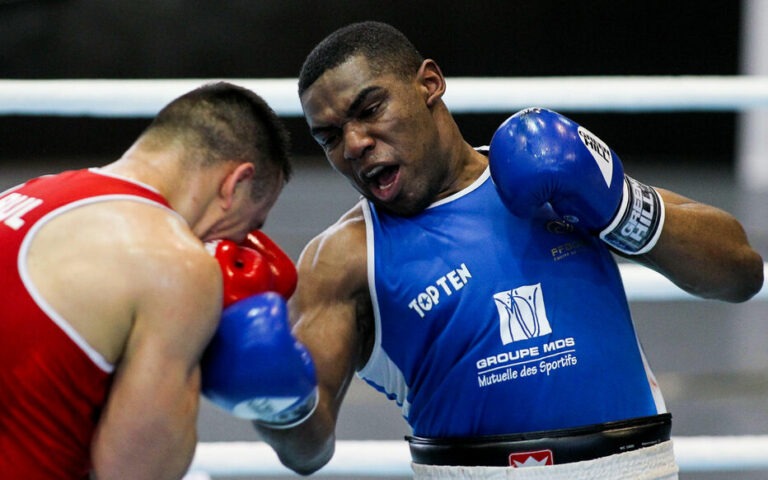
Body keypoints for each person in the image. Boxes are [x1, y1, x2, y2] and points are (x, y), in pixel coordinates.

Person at [254, 21, 765, 479]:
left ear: (429, 84)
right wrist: (262, 385)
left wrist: (618, 205)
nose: (354, 144)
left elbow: (740, 273)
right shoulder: (343, 259)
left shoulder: (550, 175)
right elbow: (306, 451)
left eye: (370, 109)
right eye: (329, 137)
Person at [0, 81, 295, 479]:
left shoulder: (27, 194)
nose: (243, 243)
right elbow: (134, 472)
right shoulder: (175, 263)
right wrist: (197, 354)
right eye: (252, 223)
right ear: (235, 184)